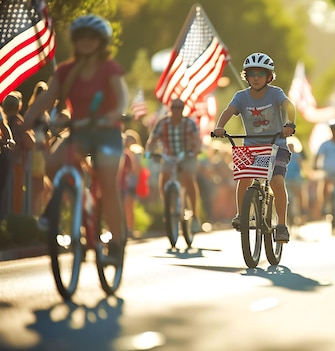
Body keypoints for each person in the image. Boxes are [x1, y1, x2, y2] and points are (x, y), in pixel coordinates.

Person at [23, 14, 129, 262]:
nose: (86, 41)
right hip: (79, 132)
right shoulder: (65, 71)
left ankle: (116, 244)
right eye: (81, 37)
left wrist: (115, 113)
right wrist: (24, 124)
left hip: (108, 133)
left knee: (107, 184)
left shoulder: (109, 68)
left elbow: (121, 95)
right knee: (52, 164)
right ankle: (73, 208)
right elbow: (46, 98)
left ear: (101, 41)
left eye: (92, 37)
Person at [212, 53, 296, 243]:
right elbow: (228, 111)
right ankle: (242, 214)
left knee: (276, 181)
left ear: (269, 77)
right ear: (246, 76)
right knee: (243, 178)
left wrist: (290, 124)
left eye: (260, 73)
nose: (256, 77)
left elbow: (289, 106)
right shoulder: (241, 97)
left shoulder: (275, 93)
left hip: (276, 145)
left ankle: (281, 225)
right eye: (252, 73)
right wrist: (219, 127)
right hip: (251, 147)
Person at [145, 98, 202, 233]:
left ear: (183, 109)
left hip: (186, 156)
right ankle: (169, 208)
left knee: (189, 178)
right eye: (174, 107)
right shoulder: (162, 122)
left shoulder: (189, 123)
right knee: (164, 177)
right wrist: (148, 152)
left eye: (180, 107)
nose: (177, 110)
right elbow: (152, 140)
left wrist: (196, 150)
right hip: (168, 156)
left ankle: (195, 216)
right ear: (170, 108)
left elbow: (196, 140)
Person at [27, 82, 53, 215]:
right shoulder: (35, 112)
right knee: (38, 186)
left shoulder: (44, 114)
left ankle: (38, 213)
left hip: (43, 151)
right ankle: (34, 213)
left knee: (45, 187)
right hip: (37, 151)